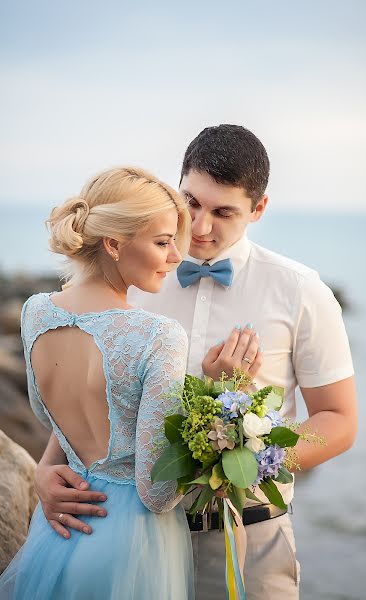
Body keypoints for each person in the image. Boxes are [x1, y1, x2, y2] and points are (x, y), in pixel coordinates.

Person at [33, 125, 358, 600]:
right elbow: (96, 389)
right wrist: (46, 467)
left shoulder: (301, 291)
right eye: (192, 203)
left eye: (224, 211)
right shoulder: (131, 278)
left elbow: (340, 422)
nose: (201, 227)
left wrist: (249, 461)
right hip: (132, 536)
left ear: (259, 208)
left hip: (248, 536)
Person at [0, 166, 199, 599]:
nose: (175, 257)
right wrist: (215, 434)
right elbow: (158, 490)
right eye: (163, 242)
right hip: (132, 544)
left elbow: (47, 416)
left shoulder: (35, 313)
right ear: (113, 243)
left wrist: (47, 468)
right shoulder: (158, 336)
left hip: (60, 531)